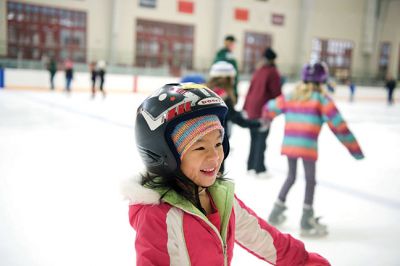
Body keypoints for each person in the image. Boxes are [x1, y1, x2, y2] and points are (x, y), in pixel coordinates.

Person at [122, 82, 330, 265]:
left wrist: (305, 262)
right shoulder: (158, 216)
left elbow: (264, 238)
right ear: (165, 155)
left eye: (218, 143)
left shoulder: (219, 197)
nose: (215, 157)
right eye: (200, 148)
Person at [263, 62, 364, 237]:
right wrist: (355, 150)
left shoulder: (291, 96)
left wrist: (266, 119)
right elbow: (339, 126)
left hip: (290, 145)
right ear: (322, 80)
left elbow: (269, 108)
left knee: (291, 177)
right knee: (310, 180)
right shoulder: (321, 99)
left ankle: (276, 211)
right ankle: (306, 220)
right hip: (308, 147)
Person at [207, 61, 261, 172]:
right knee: (217, 174)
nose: (233, 81)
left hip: (205, 139)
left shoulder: (207, 92)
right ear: (226, 78)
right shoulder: (224, 97)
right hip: (218, 141)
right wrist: (257, 123)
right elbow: (235, 118)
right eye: (232, 78)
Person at [243, 47, 282, 178]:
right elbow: (276, 93)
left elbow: (250, 89)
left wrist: (245, 107)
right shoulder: (273, 72)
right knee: (261, 139)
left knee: (254, 138)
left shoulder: (259, 70)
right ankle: (259, 168)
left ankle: (250, 165)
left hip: (252, 109)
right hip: (263, 110)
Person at [213, 35, 239, 102]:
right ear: (226, 43)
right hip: (225, 89)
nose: (233, 46)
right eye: (232, 43)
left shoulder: (229, 54)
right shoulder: (223, 55)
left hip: (229, 87)